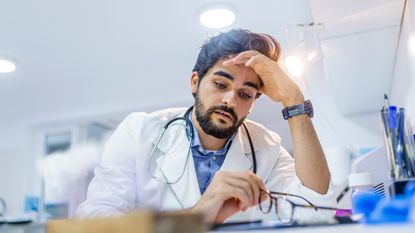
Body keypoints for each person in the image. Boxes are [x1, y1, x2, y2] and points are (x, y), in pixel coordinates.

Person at [77, 29, 335, 223]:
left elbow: (316, 208)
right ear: (195, 82)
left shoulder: (266, 147)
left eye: (245, 94)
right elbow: (96, 222)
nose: (230, 100)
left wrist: (294, 100)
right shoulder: (139, 131)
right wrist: (197, 216)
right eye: (221, 85)